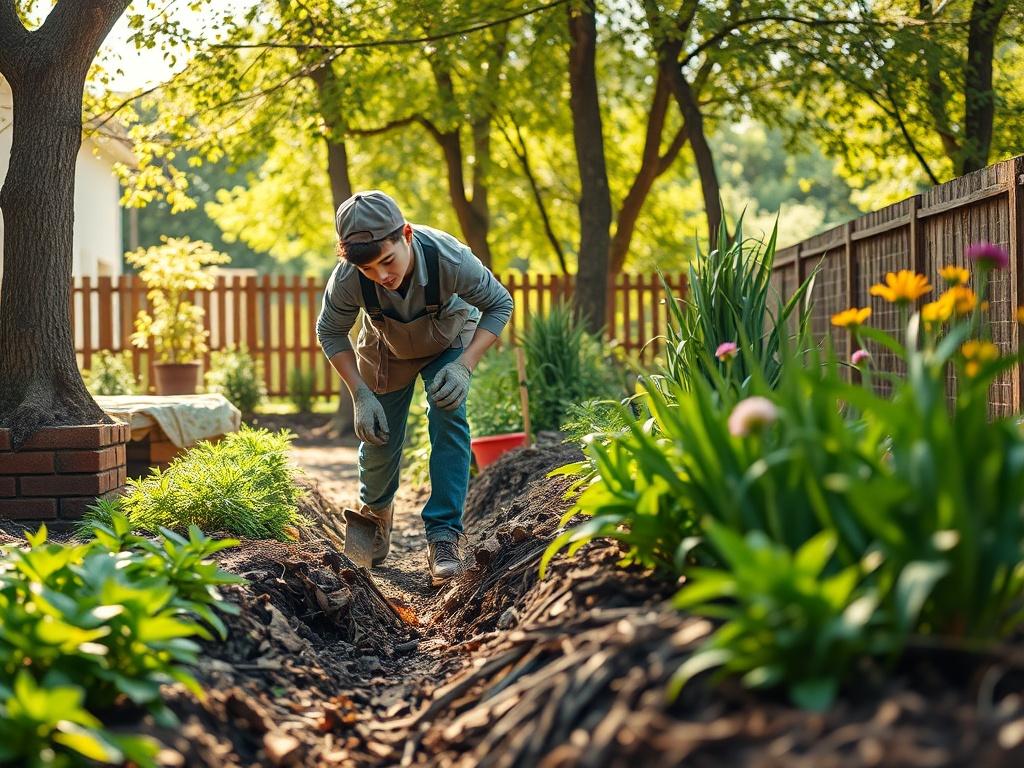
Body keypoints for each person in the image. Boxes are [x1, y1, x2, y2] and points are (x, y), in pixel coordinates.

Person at [316, 191, 513, 586]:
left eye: (387, 261)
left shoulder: (450, 258)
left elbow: (500, 304)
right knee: (378, 435)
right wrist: (360, 394)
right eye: (369, 270)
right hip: (385, 347)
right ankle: (375, 515)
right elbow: (330, 331)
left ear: (405, 234)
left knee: (448, 415)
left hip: (449, 341)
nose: (382, 276)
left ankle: (443, 535)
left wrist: (464, 367)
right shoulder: (349, 278)